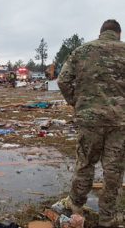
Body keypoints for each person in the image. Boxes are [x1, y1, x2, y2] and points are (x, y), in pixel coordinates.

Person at [55, 19, 125, 227]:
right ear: (118, 34)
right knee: (113, 170)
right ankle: (107, 217)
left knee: (85, 163)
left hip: (89, 120)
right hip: (119, 122)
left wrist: (76, 102)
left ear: (101, 32)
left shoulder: (82, 51)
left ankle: (76, 208)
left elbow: (63, 80)